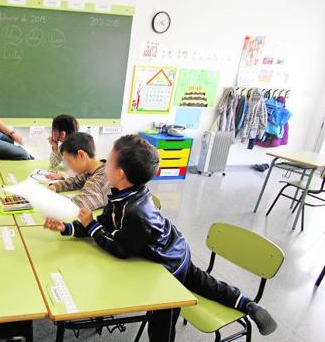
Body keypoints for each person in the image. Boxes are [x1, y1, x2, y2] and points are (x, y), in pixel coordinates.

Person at [44, 134, 277, 342]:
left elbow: (120, 249)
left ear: (120, 173)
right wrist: (68, 228)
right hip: (172, 247)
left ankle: (247, 305)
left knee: (164, 319)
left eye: (110, 161)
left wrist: (91, 226)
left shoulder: (136, 212)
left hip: (169, 263)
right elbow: (105, 223)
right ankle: (247, 303)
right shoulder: (119, 194)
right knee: (205, 283)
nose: (104, 165)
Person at [48, 132, 109, 211]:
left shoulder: (99, 178)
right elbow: (75, 181)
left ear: (81, 155)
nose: (69, 167)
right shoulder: (93, 170)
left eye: (69, 161)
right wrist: (55, 186)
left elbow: (80, 204)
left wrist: (48, 198)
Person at [48, 114, 79, 179]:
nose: (51, 133)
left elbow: (78, 175)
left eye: (53, 130)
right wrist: (55, 148)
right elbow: (54, 163)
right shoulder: (63, 146)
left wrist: (63, 176)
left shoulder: (76, 147)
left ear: (62, 134)